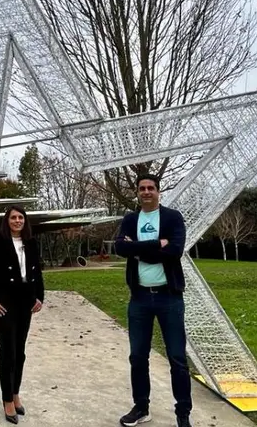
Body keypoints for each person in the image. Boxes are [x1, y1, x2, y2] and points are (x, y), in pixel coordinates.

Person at [114, 173, 192, 427]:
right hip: (139, 299)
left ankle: (183, 413)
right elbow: (120, 248)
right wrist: (156, 244)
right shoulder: (130, 219)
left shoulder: (172, 217)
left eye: (150, 188)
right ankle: (141, 407)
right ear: (137, 193)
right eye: (141, 188)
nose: (146, 192)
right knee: (138, 356)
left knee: (177, 358)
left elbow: (175, 251)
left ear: (158, 191)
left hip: (169, 297)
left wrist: (138, 249)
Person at [0, 205, 45, 424]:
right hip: (5, 301)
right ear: (7, 221)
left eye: (21, 218)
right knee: (8, 350)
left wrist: (39, 297)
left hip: (25, 299)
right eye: (13, 217)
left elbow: (37, 270)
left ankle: (15, 393)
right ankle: (7, 399)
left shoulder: (31, 242)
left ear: (25, 221)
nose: (17, 221)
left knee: (21, 350)